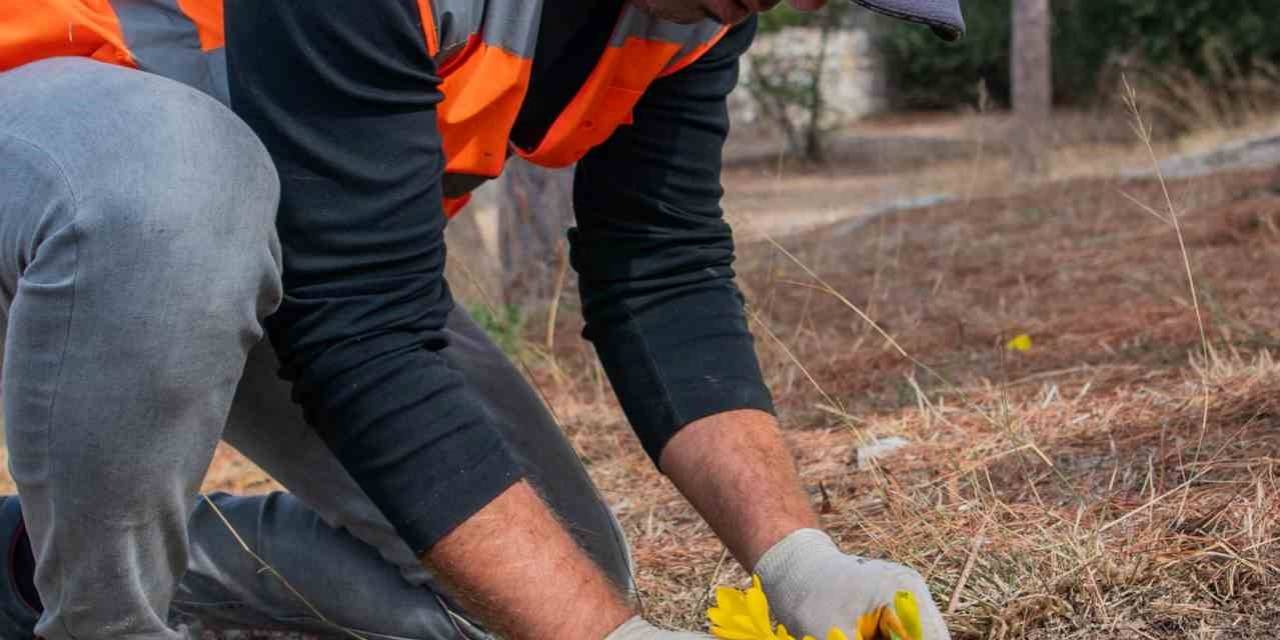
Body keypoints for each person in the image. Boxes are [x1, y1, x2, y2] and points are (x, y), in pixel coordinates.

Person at [0, 1, 966, 639]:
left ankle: (18, 570)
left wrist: (801, 562)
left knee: (533, 584)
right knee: (174, 182)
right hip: (59, 123)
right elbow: (359, 332)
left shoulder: (698, 12)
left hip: (270, 234)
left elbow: (663, 268)